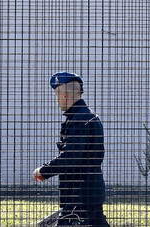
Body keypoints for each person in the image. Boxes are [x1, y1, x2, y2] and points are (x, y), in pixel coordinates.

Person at [33, 72, 109, 227]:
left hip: (78, 195)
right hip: (91, 192)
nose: (56, 100)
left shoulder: (79, 120)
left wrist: (44, 171)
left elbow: (70, 156)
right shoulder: (90, 117)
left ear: (64, 95)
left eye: (57, 95)